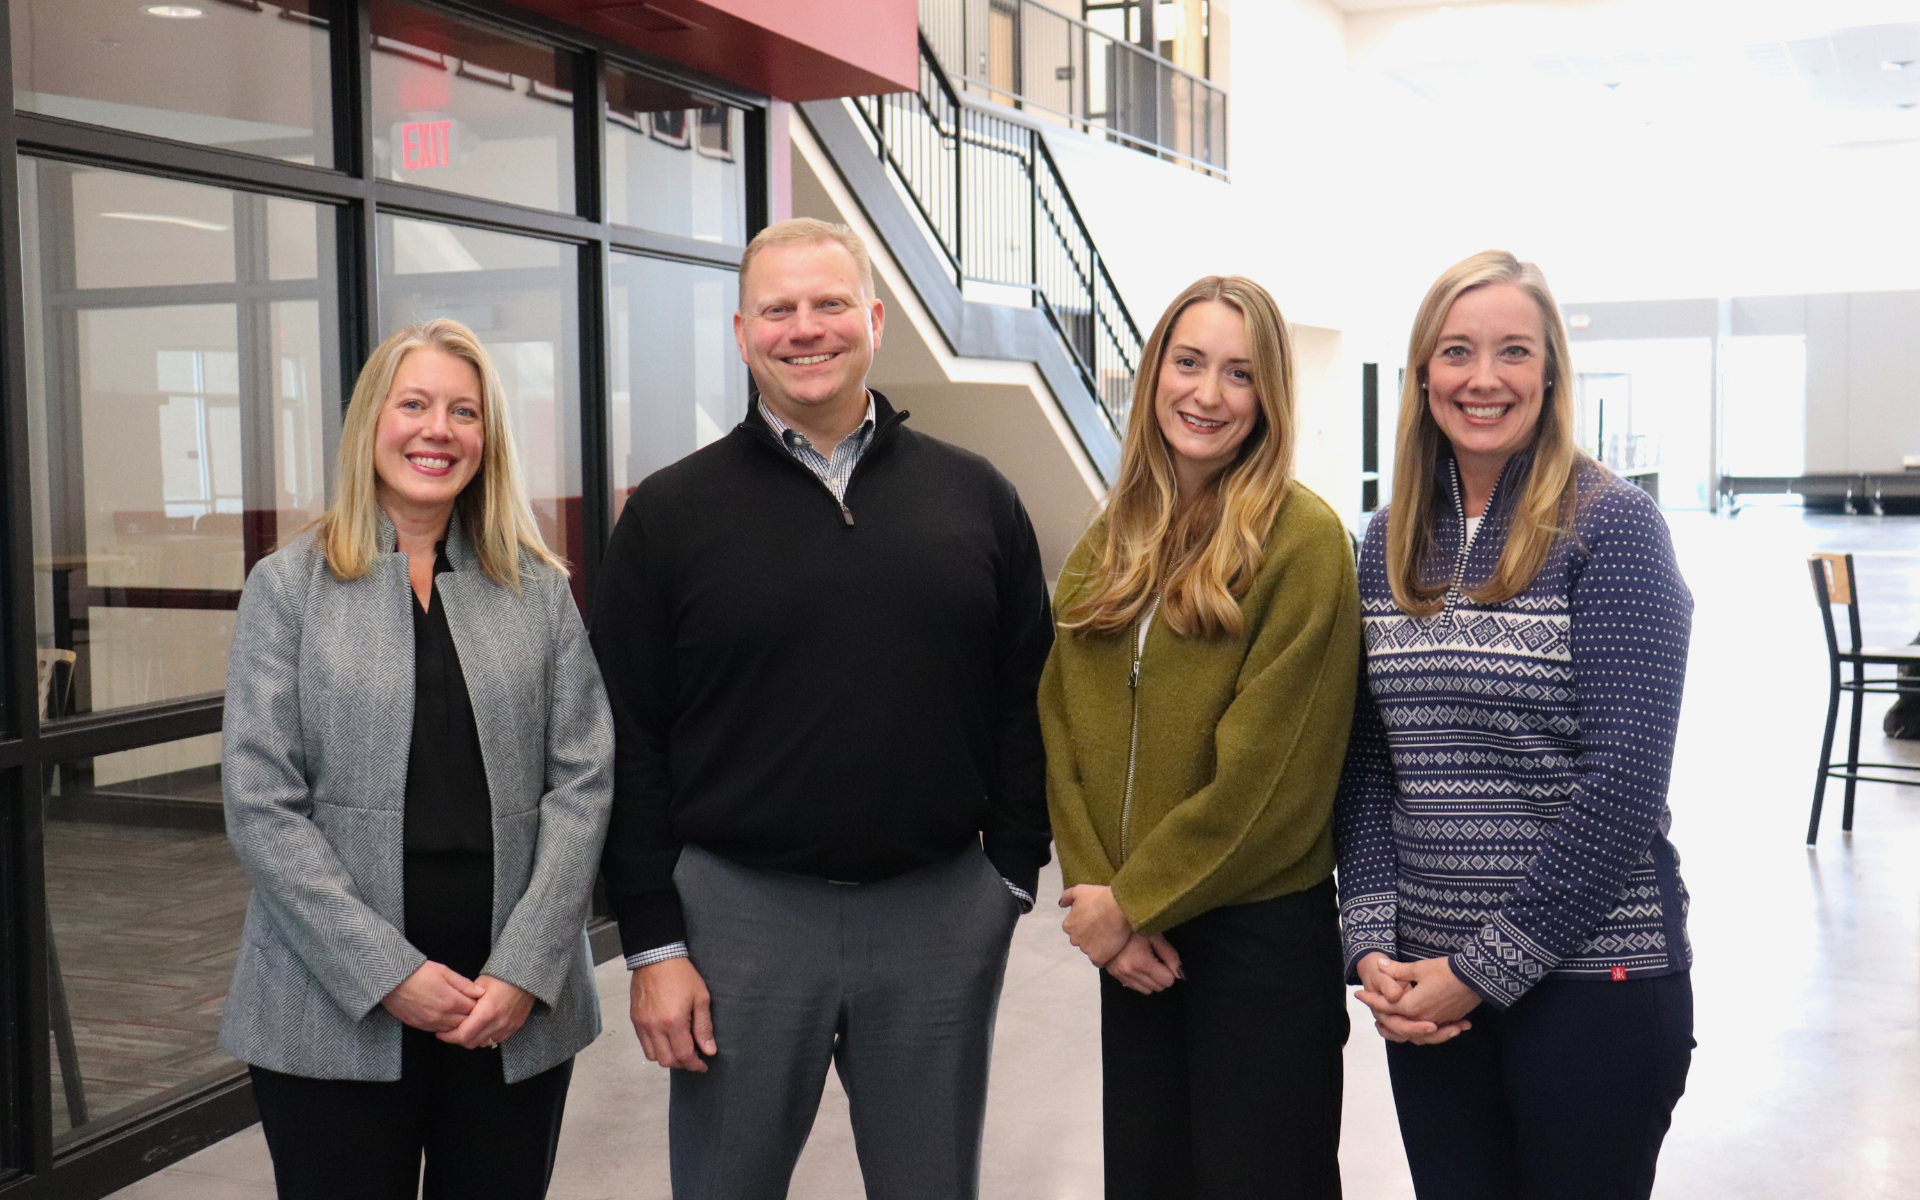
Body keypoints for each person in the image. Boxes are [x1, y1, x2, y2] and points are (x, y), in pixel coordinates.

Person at [590, 217, 1054, 1200]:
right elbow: (626, 734)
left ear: (875, 320)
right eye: (780, 309)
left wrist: (1009, 875)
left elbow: (1027, 698)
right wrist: (655, 940)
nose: (807, 329)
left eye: (830, 303)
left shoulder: (978, 499)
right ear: (742, 330)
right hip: (736, 921)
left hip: (937, 911)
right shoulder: (669, 515)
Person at [219, 319, 614, 1200]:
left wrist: (525, 967)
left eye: (464, 411)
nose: (438, 430)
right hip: (331, 999)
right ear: (372, 423)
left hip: (510, 1004)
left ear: (487, 438)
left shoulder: (539, 590)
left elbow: (584, 783)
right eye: (415, 404)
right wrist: (386, 974)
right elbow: (261, 805)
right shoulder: (288, 588)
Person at [1334, 250, 1694, 1200]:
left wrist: (1482, 968)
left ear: (1550, 374)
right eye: (1457, 351)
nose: (1482, 378)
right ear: (1422, 375)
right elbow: (1368, 762)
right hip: (1428, 994)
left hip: (1594, 983)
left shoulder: (1611, 527)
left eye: (1512, 352)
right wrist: (1371, 947)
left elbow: (1622, 785)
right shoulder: (1388, 540)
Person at [1040, 276, 1361, 1199]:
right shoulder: (1116, 535)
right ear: (1154, 375)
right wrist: (1098, 899)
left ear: (1269, 400)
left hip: (1255, 942)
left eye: (1239, 374)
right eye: (1188, 363)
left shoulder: (1303, 539)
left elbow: (1270, 775)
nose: (1207, 395)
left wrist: (1127, 901)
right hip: (1136, 944)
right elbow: (1059, 720)